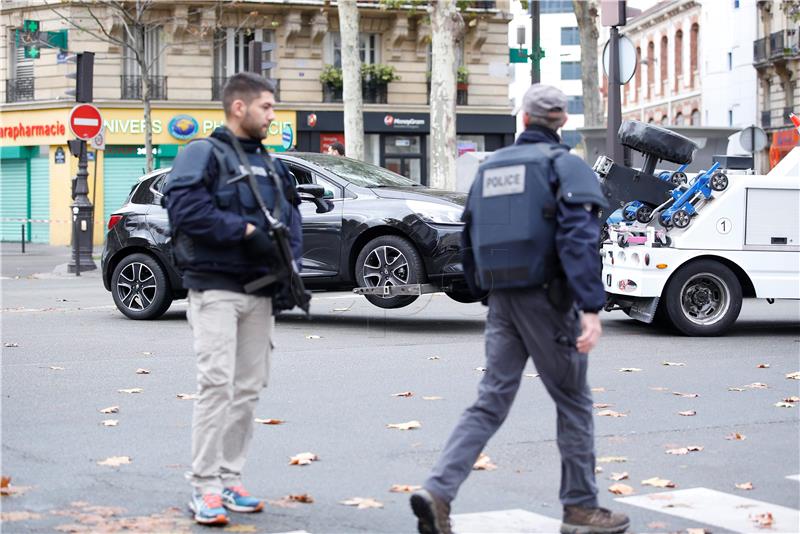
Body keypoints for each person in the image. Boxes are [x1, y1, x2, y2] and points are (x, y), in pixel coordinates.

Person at [410, 84, 630, 534]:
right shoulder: (565, 166)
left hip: (502, 301)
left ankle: (438, 491)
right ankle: (581, 508)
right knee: (573, 401)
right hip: (547, 300)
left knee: (490, 401)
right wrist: (590, 307)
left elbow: (467, 234)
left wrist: (486, 292)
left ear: (523, 119)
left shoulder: (489, 171)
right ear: (562, 122)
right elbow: (579, 238)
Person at [162, 72, 303, 526]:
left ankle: (230, 479)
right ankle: (204, 488)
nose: (273, 116)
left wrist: (288, 264)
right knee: (217, 387)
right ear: (239, 108)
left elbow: (291, 219)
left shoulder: (273, 164)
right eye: (267, 107)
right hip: (215, 288)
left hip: (261, 292)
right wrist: (244, 232)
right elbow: (184, 211)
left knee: (247, 391)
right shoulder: (202, 153)